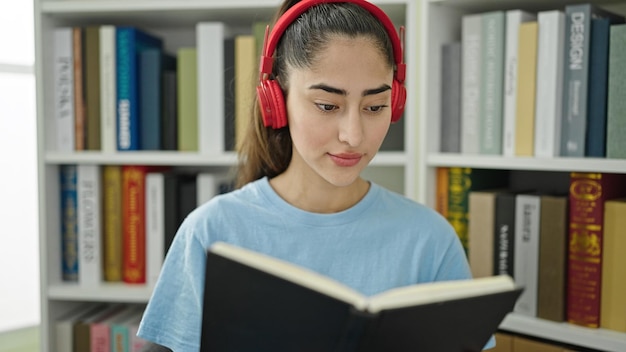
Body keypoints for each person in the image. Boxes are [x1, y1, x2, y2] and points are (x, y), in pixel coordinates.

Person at [138, 0, 485, 351]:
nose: (354, 135)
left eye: (375, 107)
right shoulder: (211, 232)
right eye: (327, 105)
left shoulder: (430, 240)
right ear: (276, 100)